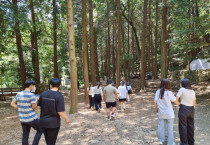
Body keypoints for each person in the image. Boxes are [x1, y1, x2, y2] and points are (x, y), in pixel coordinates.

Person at [38, 78, 70, 145]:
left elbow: (39, 107)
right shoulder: (59, 96)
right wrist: (66, 119)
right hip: (53, 123)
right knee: (51, 142)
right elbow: (60, 112)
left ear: (50, 85)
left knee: (48, 141)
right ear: (59, 86)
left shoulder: (43, 94)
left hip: (43, 121)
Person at [10, 80, 42, 145]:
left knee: (25, 135)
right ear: (31, 85)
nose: (34, 87)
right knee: (40, 130)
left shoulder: (19, 94)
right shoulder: (32, 95)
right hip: (32, 118)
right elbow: (34, 107)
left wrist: (21, 107)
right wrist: (36, 99)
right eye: (34, 86)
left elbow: (12, 104)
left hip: (23, 119)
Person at [154, 79, 180, 145]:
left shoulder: (158, 92)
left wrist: (156, 109)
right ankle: (170, 142)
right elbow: (175, 101)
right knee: (170, 128)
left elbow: (155, 102)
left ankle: (161, 140)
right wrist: (180, 105)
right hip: (169, 113)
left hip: (161, 113)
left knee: (161, 127)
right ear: (168, 84)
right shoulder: (169, 92)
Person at [176, 78, 196, 145]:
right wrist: (192, 109)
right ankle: (191, 142)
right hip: (191, 109)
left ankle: (184, 143)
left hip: (183, 109)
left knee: (183, 127)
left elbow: (176, 99)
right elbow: (194, 102)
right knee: (191, 127)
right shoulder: (192, 91)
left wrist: (179, 105)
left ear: (183, 84)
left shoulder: (182, 89)